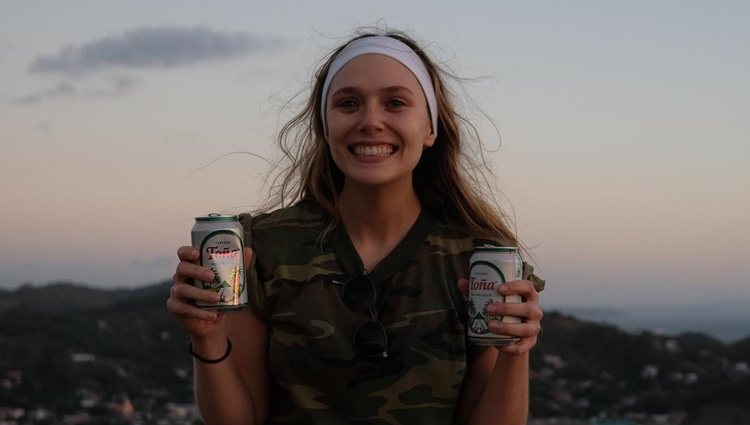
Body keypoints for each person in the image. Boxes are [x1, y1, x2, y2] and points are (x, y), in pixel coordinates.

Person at [167, 29, 545, 425]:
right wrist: (205, 335)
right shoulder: (262, 248)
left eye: (395, 103)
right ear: (325, 126)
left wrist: (514, 353)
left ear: (430, 128)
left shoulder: (480, 258)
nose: (370, 121)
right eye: (348, 103)